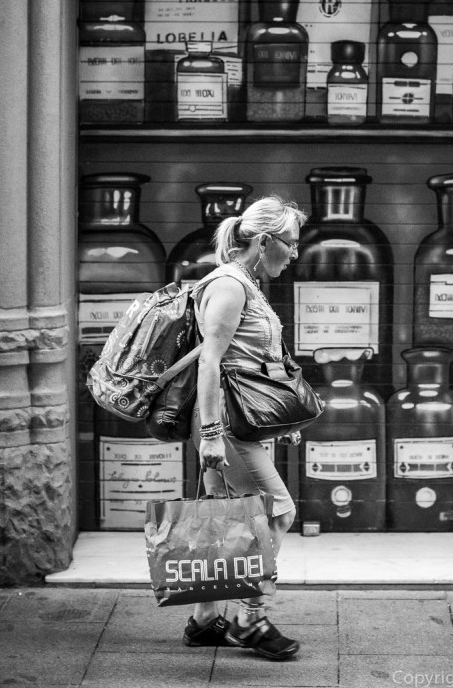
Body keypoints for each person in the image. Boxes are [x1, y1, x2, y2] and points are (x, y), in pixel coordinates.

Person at [182, 194, 308, 661]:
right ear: (264, 240)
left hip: (241, 421)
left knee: (223, 521)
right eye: (291, 244)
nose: (295, 254)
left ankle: (203, 621)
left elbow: (252, 364)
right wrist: (212, 434)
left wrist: (281, 418)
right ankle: (248, 617)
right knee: (278, 511)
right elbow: (210, 363)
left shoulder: (248, 285)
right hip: (227, 425)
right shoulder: (231, 286)